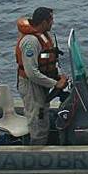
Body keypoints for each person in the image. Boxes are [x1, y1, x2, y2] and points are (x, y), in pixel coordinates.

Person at [15, 7, 68, 145]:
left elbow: (51, 59)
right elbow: (31, 72)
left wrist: (59, 76)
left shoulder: (44, 37)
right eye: (51, 20)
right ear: (44, 22)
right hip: (31, 85)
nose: (52, 23)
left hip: (42, 84)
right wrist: (55, 84)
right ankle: (35, 152)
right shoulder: (31, 41)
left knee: (42, 117)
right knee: (37, 119)